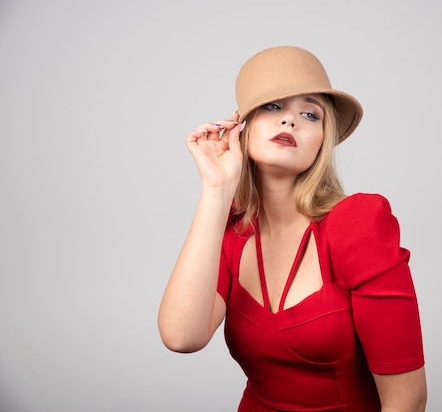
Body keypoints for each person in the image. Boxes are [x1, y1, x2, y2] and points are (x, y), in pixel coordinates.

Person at [158, 45, 427, 411]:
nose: (290, 121)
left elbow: (406, 402)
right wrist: (217, 189)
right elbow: (181, 336)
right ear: (240, 128)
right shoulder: (231, 228)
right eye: (272, 106)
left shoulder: (357, 222)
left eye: (309, 114)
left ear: (322, 140)